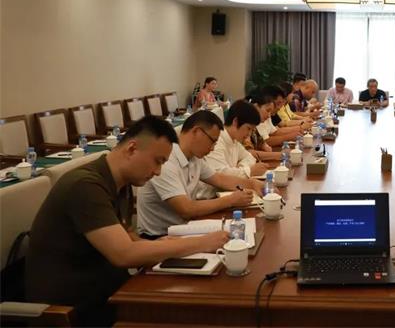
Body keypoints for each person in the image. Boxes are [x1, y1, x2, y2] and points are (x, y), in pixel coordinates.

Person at [26, 116, 228, 326]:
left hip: (109, 291)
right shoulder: (85, 186)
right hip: (73, 310)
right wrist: (201, 243)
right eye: (157, 161)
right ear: (132, 149)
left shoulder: (120, 183)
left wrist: (156, 245)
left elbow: (127, 236)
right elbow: (124, 254)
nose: (158, 171)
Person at [137, 111, 260, 238]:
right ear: (197, 132)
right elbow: (186, 209)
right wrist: (230, 200)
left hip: (185, 228)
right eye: (212, 141)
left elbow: (219, 179)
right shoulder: (166, 160)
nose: (212, 148)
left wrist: (252, 184)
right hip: (158, 237)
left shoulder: (194, 157)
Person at [197, 100, 269, 200]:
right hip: (209, 198)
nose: (249, 134)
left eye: (252, 130)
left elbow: (249, 157)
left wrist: (241, 168)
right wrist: (249, 171)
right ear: (235, 122)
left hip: (226, 193)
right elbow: (222, 175)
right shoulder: (217, 140)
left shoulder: (234, 140)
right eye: (248, 128)